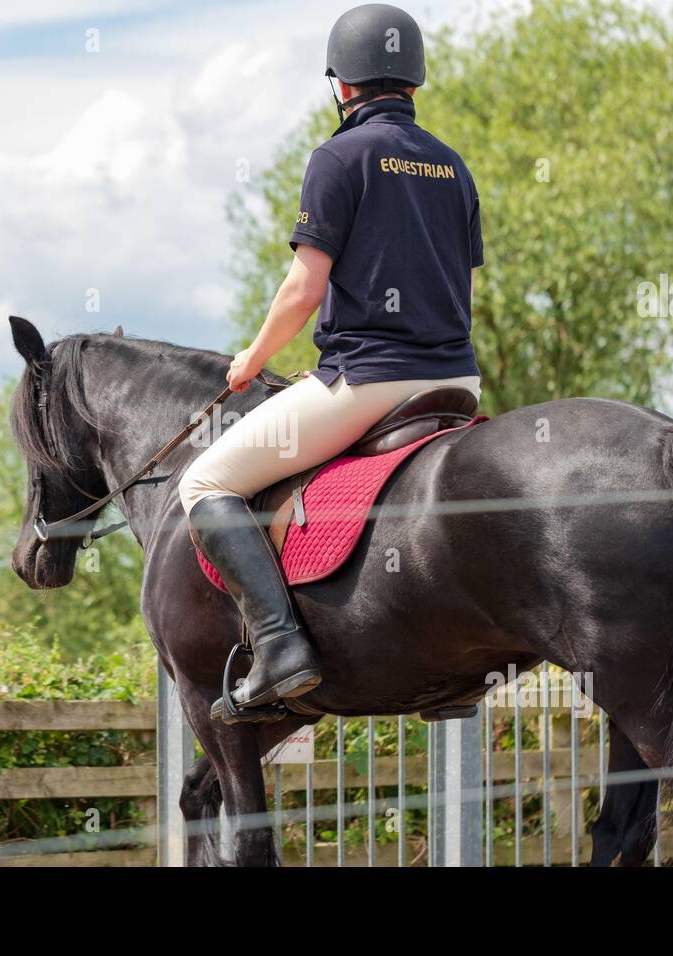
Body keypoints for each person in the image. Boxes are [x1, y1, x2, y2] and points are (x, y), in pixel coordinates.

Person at [179, 3, 485, 723]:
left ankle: (280, 646)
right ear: (414, 81)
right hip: (456, 382)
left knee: (207, 480)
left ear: (339, 84)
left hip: (369, 381)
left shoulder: (337, 158)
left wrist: (252, 358)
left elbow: (304, 287)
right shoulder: (452, 166)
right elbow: (465, 291)